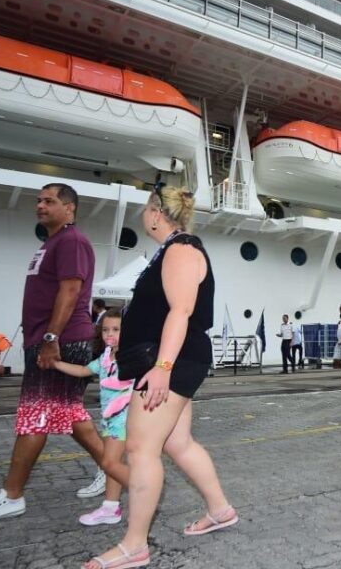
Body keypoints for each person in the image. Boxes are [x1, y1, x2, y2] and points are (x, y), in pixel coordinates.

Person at [83, 184, 237, 569]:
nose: (143, 214)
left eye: (145, 208)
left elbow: (181, 311)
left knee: (139, 448)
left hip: (173, 361)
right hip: (173, 359)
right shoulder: (171, 250)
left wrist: (162, 369)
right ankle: (219, 510)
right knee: (177, 442)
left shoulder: (182, 250)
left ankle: (135, 545)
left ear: (155, 211)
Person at [0, 184, 109, 525]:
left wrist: (50, 338)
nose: (40, 205)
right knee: (69, 414)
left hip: (61, 341)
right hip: (50, 339)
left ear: (69, 209)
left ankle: (12, 495)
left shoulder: (71, 241)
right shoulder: (51, 242)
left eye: (49, 201)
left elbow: (71, 290)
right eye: (38, 200)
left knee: (35, 415)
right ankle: (115, 472)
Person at [52, 310, 132, 526]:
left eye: (116, 329)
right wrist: (56, 364)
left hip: (123, 417)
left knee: (109, 462)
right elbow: (83, 370)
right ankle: (110, 507)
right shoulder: (106, 356)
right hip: (108, 418)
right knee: (113, 463)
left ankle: (146, 491)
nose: (109, 334)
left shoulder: (130, 357)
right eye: (105, 329)